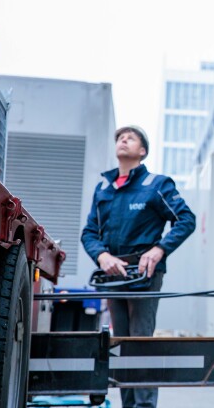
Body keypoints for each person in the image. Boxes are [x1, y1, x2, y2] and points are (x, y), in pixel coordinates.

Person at [81, 125, 195, 408]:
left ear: (142, 151)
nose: (123, 140)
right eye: (120, 137)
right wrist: (102, 256)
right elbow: (89, 233)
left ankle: (144, 407)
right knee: (120, 345)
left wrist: (159, 250)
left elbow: (186, 219)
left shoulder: (157, 185)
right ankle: (127, 405)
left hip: (143, 274)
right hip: (113, 276)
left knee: (141, 343)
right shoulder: (104, 188)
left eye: (130, 138)